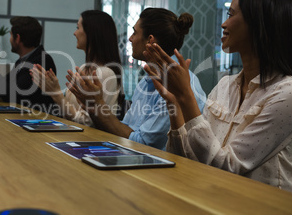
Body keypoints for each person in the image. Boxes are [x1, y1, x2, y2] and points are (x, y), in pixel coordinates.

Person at [143, 0, 292, 192]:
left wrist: (186, 96)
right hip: (213, 198)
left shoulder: (287, 93)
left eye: (231, 15)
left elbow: (227, 167)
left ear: (259, 24)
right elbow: (184, 158)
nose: (223, 24)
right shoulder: (225, 85)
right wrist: (175, 104)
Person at [66, 8, 206, 150]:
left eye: (134, 32)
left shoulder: (176, 86)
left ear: (150, 40)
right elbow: (125, 128)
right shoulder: (146, 82)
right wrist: (95, 106)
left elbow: (143, 145)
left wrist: (98, 105)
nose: (130, 39)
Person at [30, 10, 122, 126]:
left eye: (78, 28)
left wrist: (56, 93)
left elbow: (88, 123)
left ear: (91, 33)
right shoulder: (84, 68)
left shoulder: (105, 73)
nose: (75, 33)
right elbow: (69, 114)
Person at [0, 16, 57, 112]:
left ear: (18, 38)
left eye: (11, 35)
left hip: (37, 120)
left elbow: (10, 95)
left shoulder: (41, 61)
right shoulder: (23, 60)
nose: (10, 39)